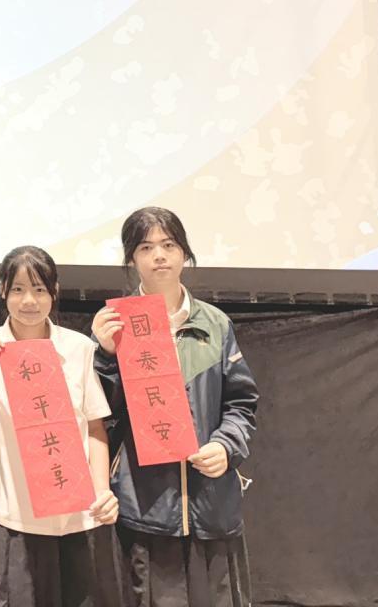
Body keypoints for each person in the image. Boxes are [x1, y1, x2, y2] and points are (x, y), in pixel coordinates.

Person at [90, 207, 258, 607]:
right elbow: (100, 414)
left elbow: (242, 403)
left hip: (211, 503)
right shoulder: (114, 325)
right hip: (146, 505)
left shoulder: (215, 324)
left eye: (168, 244)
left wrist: (225, 446)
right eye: (146, 247)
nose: (159, 256)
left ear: (185, 252)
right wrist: (106, 355)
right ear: (132, 259)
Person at [0, 246, 121, 607]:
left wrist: (101, 490)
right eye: (18, 289)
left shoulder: (78, 348)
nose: (29, 301)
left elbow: (95, 428)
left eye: (39, 289)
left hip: (79, 517)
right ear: (3, 290)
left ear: (54, 292)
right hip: (17, 517)